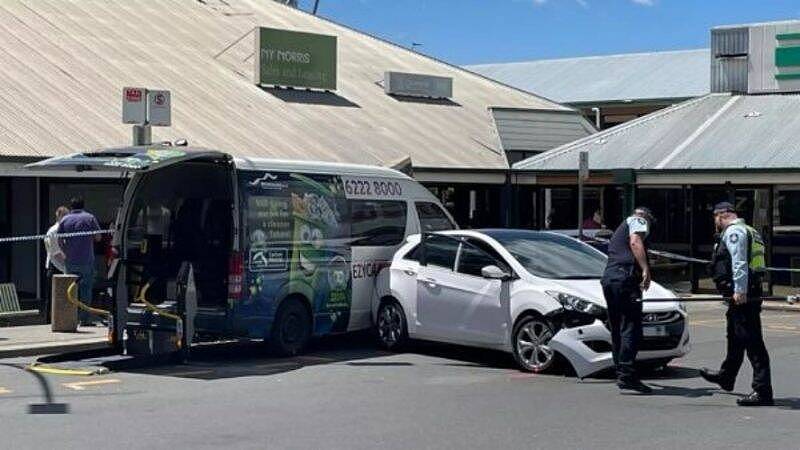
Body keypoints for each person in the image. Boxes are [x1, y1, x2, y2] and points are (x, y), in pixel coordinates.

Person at [700, 202, 773, 406]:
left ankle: (763, 390)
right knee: (735, 336)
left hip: (743, 293)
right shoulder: (750, 230)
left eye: (715, 218)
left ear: (722, 215)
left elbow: (739, 261)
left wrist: (739, 290)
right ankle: (726, 376)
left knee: (752, 341)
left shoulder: (735, 232)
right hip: (748, 290)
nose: (715, 223)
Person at [601, 207, 655, 394]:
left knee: (617, 326)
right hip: (625, 279)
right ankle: (627, 374)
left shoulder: (618, 231)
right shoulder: (637, 220)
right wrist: (645, 268)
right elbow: (635, 241)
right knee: (631, 327)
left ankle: (621, 370)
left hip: (610, 278)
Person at [58, 197, 102, 326]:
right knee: (86, 290)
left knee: (70, 290)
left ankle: (69, 319)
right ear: (83, 205)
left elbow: (59, 240)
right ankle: (84, 320)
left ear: (71, 207)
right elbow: (98, 237)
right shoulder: (89, 218)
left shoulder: (65, 219)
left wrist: (65, 251)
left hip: (70, 260)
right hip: (86, 259)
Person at [43, 206, 69, 322]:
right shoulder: (54, 230)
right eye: (64, 216)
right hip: (55, 265)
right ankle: (49, 320)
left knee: (60, 296)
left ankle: (59, 319)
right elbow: (55, 253)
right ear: (58, 216)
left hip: (60, 265)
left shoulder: (60, 229)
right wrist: (65, 266)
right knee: (52, 296)